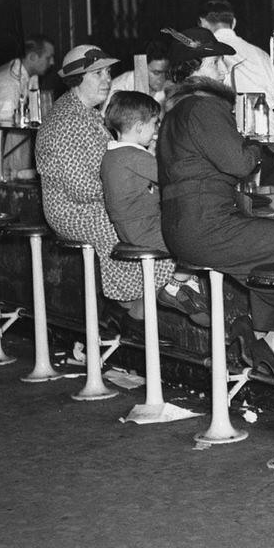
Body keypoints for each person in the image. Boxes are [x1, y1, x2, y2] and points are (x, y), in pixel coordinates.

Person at [157, 26, 274, 373]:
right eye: (217, 63)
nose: (225, 69)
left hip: (182, 230)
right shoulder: (204, 108)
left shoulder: (176, 110)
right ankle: (268, 344)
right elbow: (239, 163)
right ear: (195, 67)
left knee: (269, 261)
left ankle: (253, 334)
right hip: (208, 228)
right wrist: (255, 145)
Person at [35, 44, 178, 333]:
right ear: (76, 79)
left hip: (100, 201)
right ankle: (128, 311)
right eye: (97, 74)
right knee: (139, 228)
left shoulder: (89, 112)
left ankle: (134, 311)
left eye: (108, 72)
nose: (106, 79)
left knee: (150, 221)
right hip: (74, 211)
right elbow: (80, 188)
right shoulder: (66, 120)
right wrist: (133, 191)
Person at [101, 91, 208, 326]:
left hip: (134, 226)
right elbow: (172, 174)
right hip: (143, 228)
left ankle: (185, 285)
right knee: (199, 238)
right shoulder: (133, 156)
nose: (156, 129)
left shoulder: (115, 153)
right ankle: (177, 285)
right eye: (154, 124)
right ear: (139, 127)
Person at [199, 0, 274, 103]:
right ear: (234, 23)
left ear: (203, 23)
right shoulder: (261, 54)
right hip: (267, 117)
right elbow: (272, 98)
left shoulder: (207, 54)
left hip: (232, 117)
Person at [105, 39, 174, 110]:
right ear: (141, 68)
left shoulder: (169, 89)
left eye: (165, 72)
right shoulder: (119, 87)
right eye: (156, 73)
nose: (162, 79)